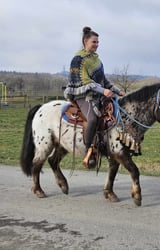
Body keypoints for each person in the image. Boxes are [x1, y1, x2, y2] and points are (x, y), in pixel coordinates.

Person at [64, 26, 125, 164]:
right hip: (82, 95)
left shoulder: (97, 60)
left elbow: (104, 81)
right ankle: (88, 150)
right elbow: (85, 82)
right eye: (94, 42)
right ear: (85, 41)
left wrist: (117, 91)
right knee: (92, 118)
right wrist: (102, 91)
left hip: (97, 94)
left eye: (98, 42)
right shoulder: (78, 60)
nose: (97, 45)